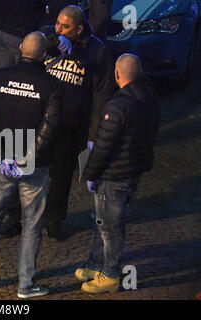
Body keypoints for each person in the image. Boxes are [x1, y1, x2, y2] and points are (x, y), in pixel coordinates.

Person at [0, 32, 63, 299]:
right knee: (32, 224)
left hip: (3, 163)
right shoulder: (51, 85)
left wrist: (1, 154)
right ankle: (26, 285)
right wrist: (27, 159)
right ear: (45, 56)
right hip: (35, 167)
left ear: (21, 48)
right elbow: (50, 127)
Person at [75, 54, 160, 293]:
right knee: (104, 221)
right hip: (132, 170)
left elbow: (103, 147)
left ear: (116, 74)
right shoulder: (150, 98)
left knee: (109, 227)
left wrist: (91, 174)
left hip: (113, 176)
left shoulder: (116, 107)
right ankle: (97, 263)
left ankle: (110, 274)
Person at [43, 5, 116, 240]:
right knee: (28, 168)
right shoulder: (50, 37)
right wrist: (53, 41)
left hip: (70, 123)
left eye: (65, 26)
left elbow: (101, 96)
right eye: (57, 23)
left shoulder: (96, 51)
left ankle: (54, 219)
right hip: (41, 119)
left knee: (62, 173)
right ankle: (16, 216)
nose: (59, 29)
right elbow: (32, 44)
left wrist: (93, 136)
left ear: (79, 28)